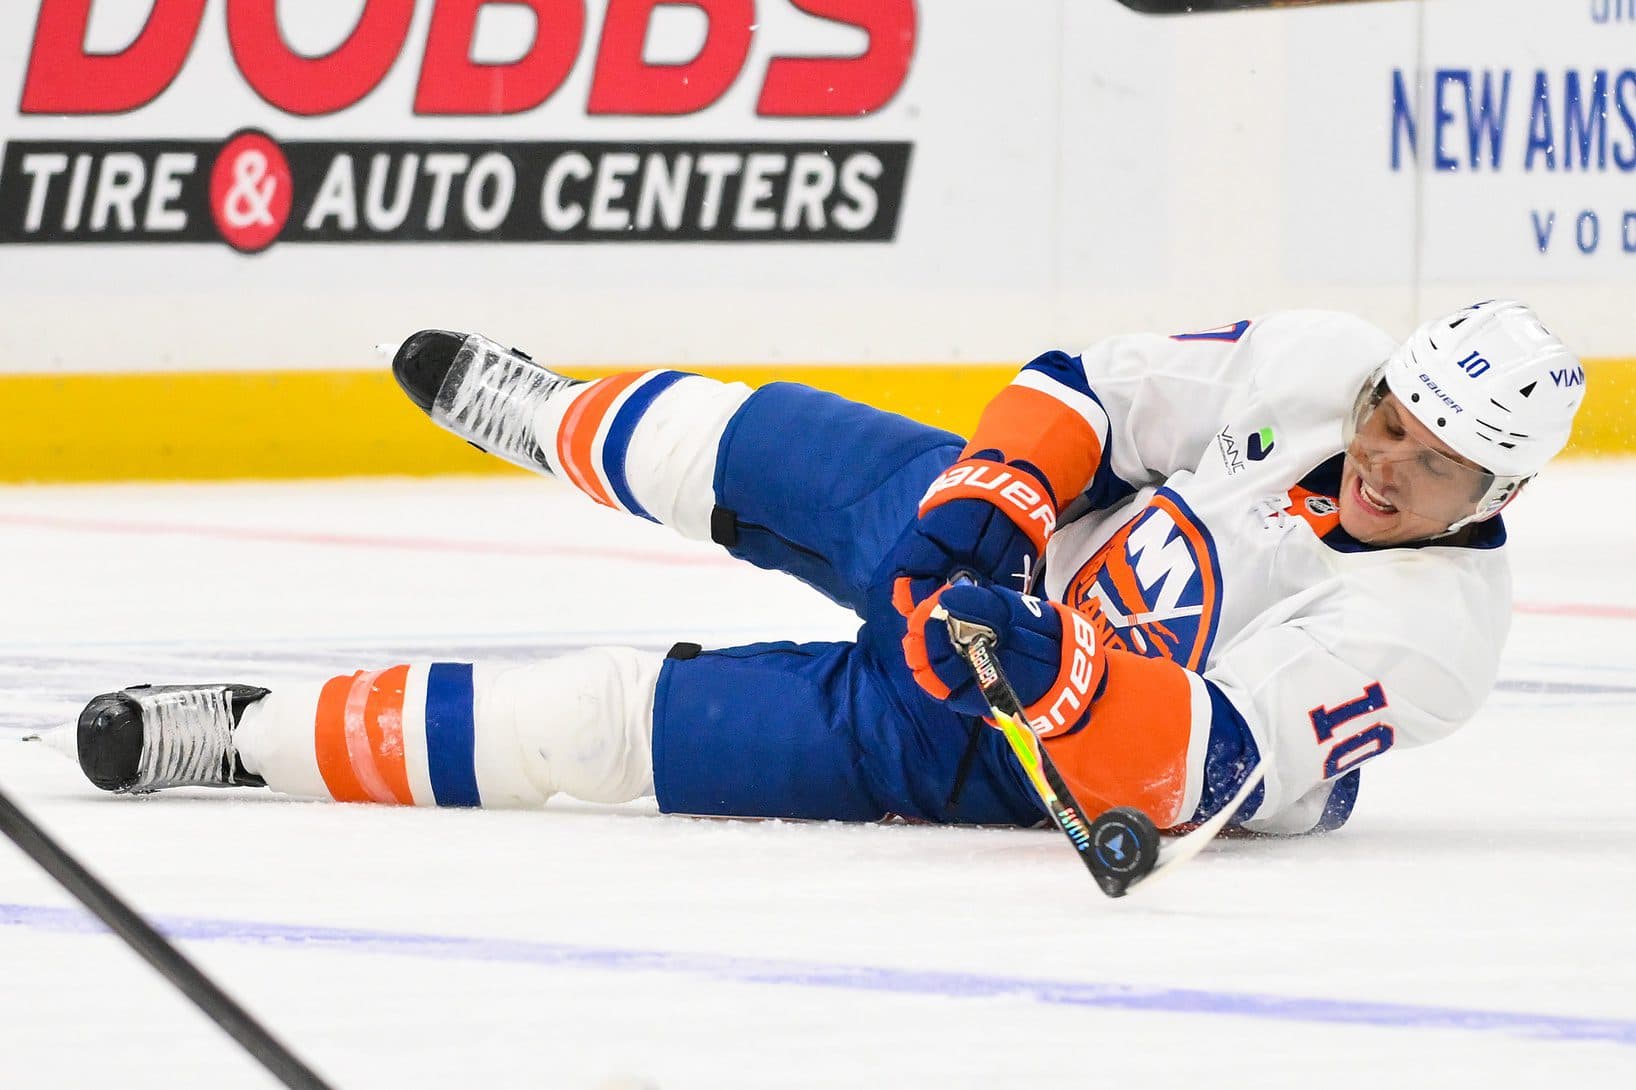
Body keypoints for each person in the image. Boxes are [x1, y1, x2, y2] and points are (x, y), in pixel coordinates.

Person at [43, 301, 1585, 837]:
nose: (1385, 455)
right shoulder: (1316, 359)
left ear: (1496, 489)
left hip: (1001, 751)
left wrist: (1050, 675)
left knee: (596, 729)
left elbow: (1196, 765)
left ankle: (237, 737)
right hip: (1008, 546)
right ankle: (551, 411)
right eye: (1393, 414)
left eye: (1433, 462)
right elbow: (1084, 393)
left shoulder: (1433, 630)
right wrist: (993, 490)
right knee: (746, 434)